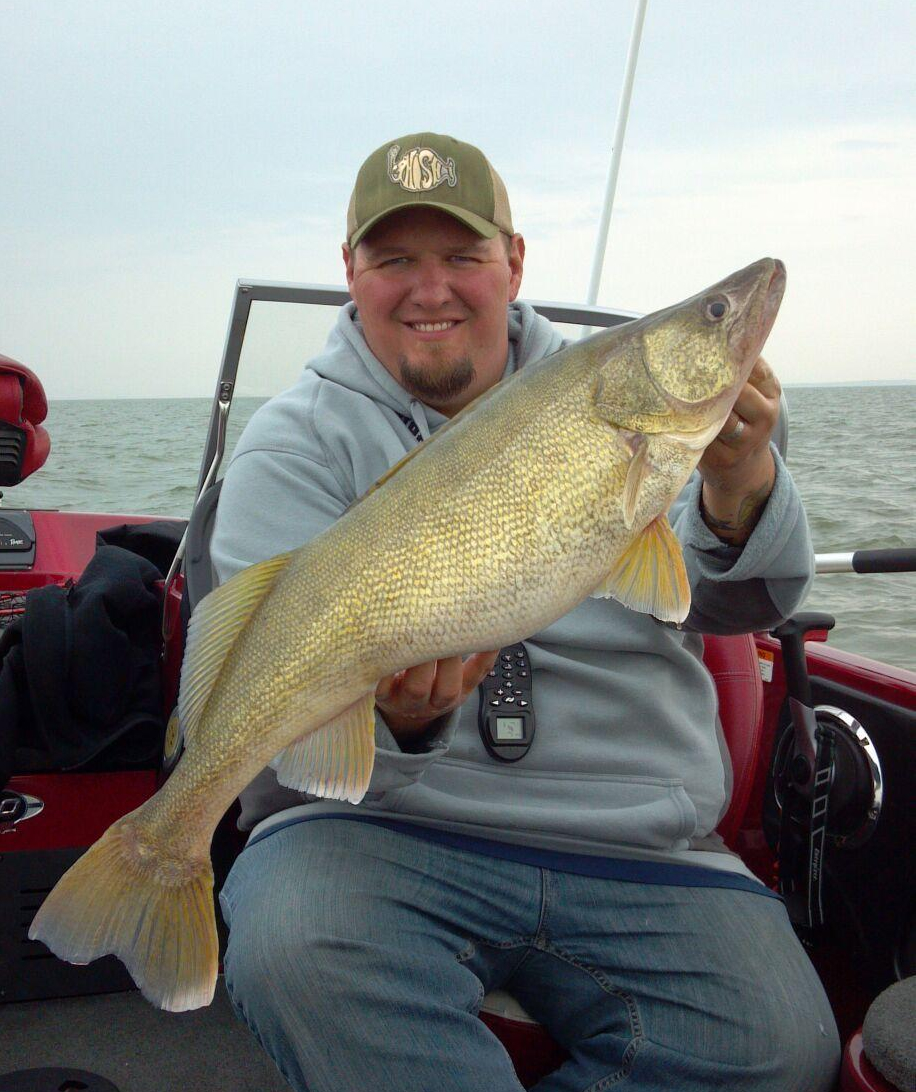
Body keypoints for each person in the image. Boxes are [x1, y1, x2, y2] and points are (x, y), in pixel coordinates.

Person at [211, 132, 840, 1091]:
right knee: (296, 943)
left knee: (783, 1047)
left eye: (463, 256)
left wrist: (744, 477)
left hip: (635, 838)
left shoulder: (623, 407)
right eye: (395, 261)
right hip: (383, 831)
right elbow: (273, 697)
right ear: (350, 272)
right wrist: (401, 717)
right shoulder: (291, 445)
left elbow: (741, 601)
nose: (432, 290)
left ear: (514, 261)